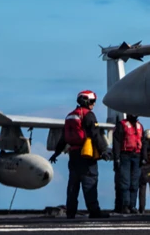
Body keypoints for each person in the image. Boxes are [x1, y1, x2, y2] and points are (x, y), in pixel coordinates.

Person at [49, 90, 111, 219]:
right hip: (86, 154)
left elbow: (63, 138)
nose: (94, 104)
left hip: (73, 154)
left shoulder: (70, 116)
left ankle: (70, 212)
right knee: (90, 182)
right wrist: (103, 151)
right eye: (92, 101)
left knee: (73, 184)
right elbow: (95, 134)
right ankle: (94, 211)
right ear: (86, 101)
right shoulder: (88, 115)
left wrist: (56, 153)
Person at [113, 113, 144, 213]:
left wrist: (144, 157)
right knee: (125, 182)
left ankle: (132, 205)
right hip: (125, 155)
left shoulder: (140, 126)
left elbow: (143, 141)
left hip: (137, 156)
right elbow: (116, 142)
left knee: (135, 183)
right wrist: (117, 158)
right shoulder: (121, 125)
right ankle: (125, 205)